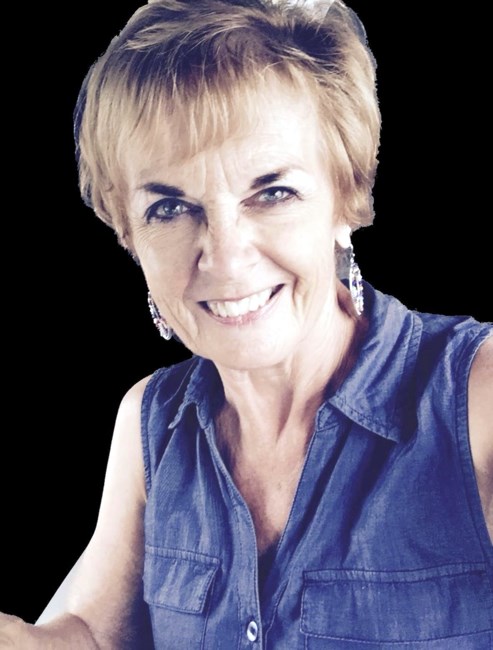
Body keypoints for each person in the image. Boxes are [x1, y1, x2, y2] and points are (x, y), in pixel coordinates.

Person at [1, 0, 492, 647]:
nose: (226, 257)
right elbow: (92, 636)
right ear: (129, 236)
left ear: (346, 197)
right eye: (170, 208)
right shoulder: (151, 421)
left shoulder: (475, 396)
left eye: (272, 193)